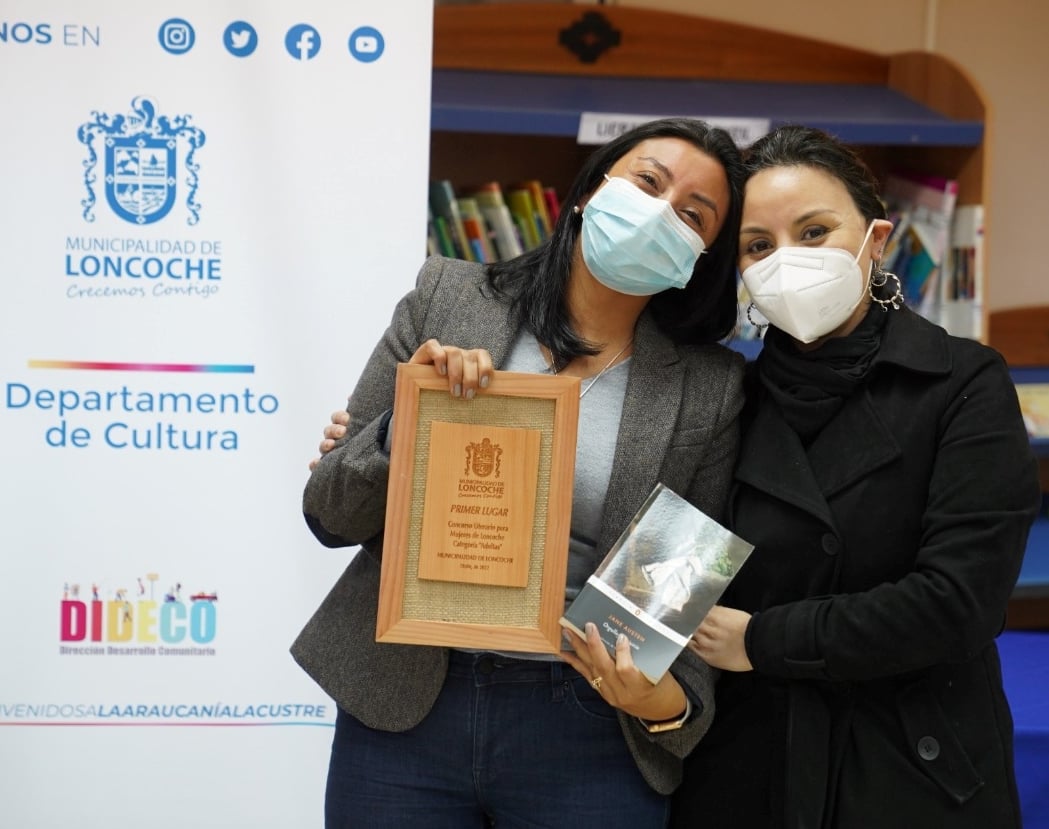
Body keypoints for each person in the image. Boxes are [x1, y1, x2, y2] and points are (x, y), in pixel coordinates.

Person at [292, 117, 748, 828]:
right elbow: (329, 511)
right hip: (407, 701)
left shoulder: (708, 386)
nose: (660, 212)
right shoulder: (448, 299)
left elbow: (672, 584)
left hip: (582, 718)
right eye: (647, 182)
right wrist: (408, 418)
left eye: (692, 214)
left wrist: (665, 702)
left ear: (702, 257)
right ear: (591, 191)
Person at [673, 124, 1040, 829]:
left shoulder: (961, 382)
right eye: (758, 245)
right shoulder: (726, 399)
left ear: (875, 241)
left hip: (913, 763)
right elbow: (675, 577)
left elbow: (957, 603)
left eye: (813, 232)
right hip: (749, 768)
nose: (787, 261)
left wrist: (762, 641)